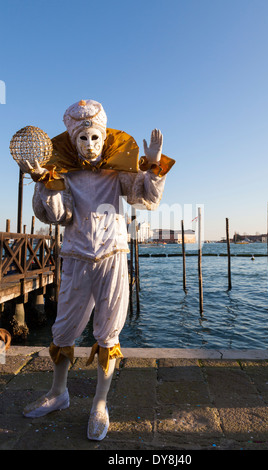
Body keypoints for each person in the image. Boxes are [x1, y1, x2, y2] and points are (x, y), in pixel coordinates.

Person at [20, 99, 174, 441]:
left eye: (94, 138)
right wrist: (45, 182)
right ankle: (59, 392)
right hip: (76, 255)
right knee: (62, 332)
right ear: (73, 141)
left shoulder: (118, 170)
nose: (89, 145)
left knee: (108, 333)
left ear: (103, 137)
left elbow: (144, 198)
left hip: (113, 254)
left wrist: (152, 166)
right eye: (82, 139)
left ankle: (99, 404)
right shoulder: (64, 172)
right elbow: (59, 216)